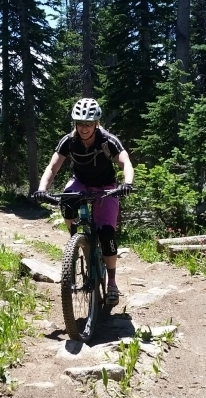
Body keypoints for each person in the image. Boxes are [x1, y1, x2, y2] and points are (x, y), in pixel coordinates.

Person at [32, 98, 134, 306]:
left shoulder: (107, 140)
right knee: (68, 202)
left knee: (106, 234)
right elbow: (52, 168)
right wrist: (42, 189)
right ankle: (76, 240)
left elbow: (125, 162)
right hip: (80, 182)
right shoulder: (69, 141)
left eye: (88, 124)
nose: (84, 128)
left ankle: (112, 283)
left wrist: (127, 183)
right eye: (80, 123)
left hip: (106, 187)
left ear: (96, 123)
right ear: (75, 124)